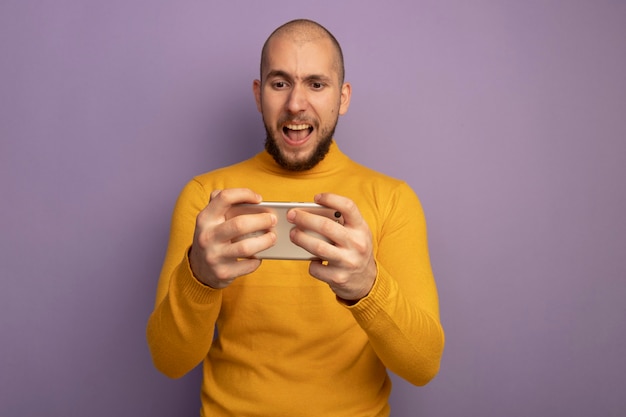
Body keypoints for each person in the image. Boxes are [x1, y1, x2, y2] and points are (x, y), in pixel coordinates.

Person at [147, 18, 444, 417]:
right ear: (258, 94)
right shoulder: (207, 198)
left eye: (316, 84)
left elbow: (423, 366)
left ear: (343, 97)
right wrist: (198, 277)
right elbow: (169, 361)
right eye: (280, 83)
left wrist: (367, 287)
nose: (296, 104)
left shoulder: (392, 200)